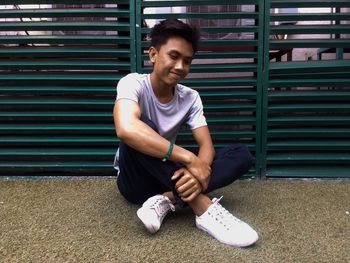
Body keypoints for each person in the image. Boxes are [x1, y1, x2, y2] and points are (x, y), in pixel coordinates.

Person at [113, 19, 258, 248]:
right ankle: (203, 208)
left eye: (187, 61)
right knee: (140, 127)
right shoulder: (133, 84)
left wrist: (199, 168)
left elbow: (206, 146)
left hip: (168, 176)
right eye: (173, 56)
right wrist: (190, 159)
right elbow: (126, 127)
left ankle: (166, 199)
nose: (180, 66)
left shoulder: (190, 97)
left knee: (240, 154)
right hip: (135, 180)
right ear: (153, 55)